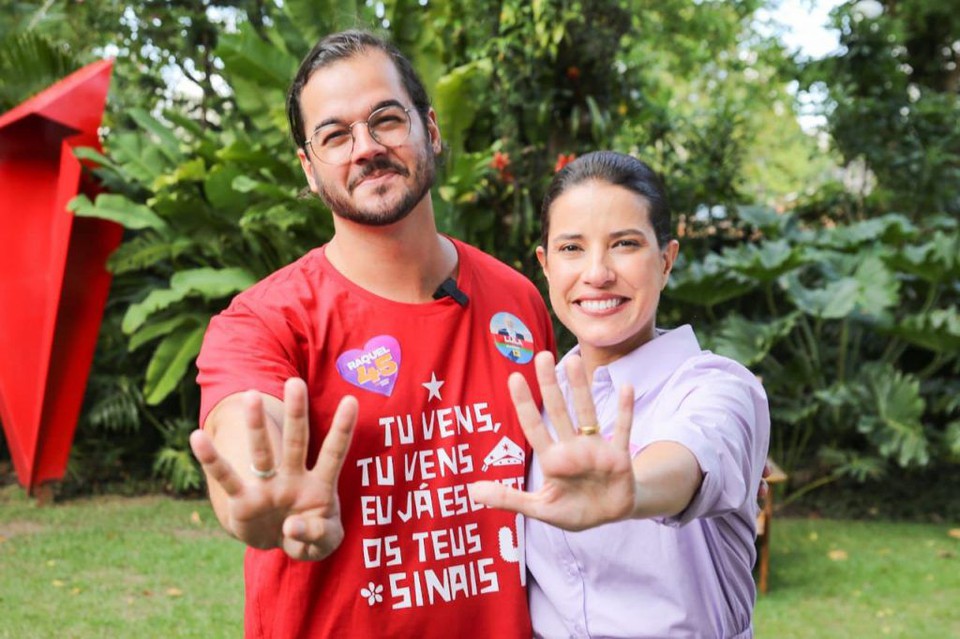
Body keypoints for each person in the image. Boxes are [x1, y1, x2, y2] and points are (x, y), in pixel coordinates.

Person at [189, 30, 554, 638]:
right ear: (309, 169)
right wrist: (260, 498)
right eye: (335, 136)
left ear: (430, 131)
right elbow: (244, 426)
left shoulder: (517, 299)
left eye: (386, 120)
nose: (366, 148)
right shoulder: (264, 319)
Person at [469, 151, 771, 638]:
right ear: (545, 265)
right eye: (572, 248)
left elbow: (689, 459)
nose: (597, 273)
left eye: (625, 244)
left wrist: (632, 491)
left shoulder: (719, 388)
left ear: (666, 259)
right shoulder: (536, 400)